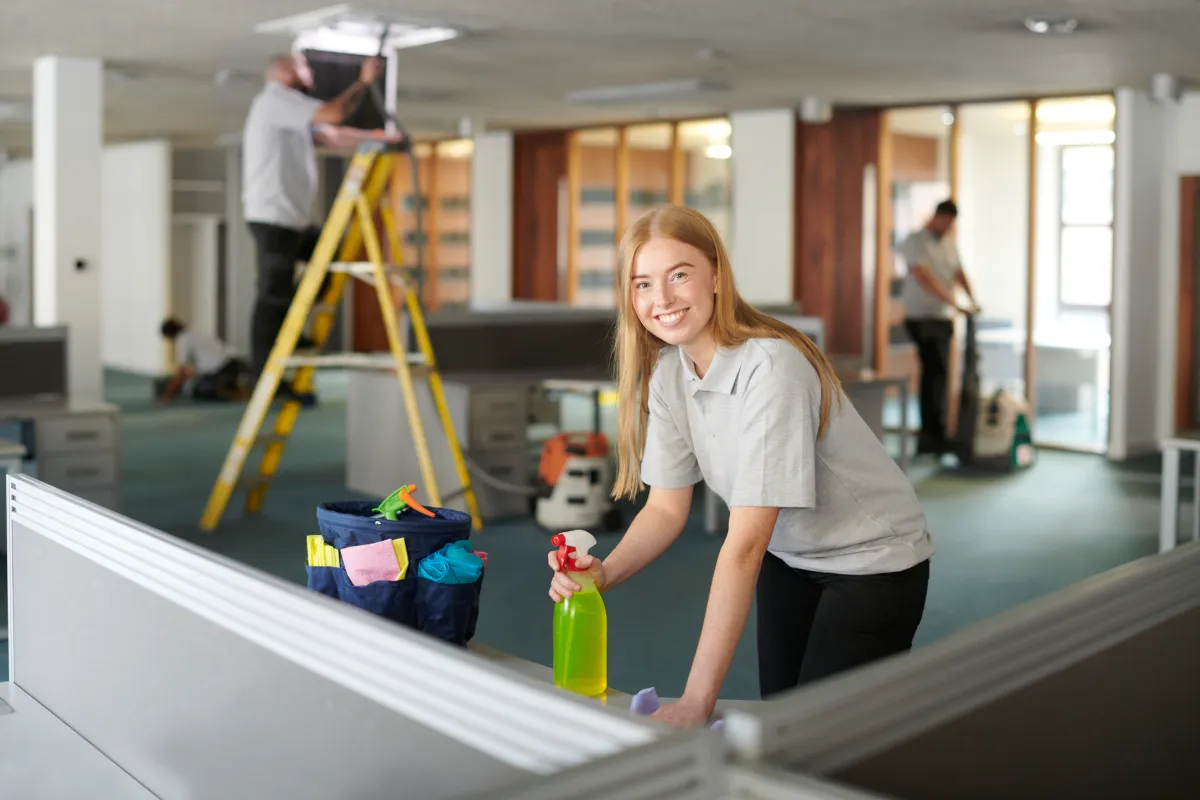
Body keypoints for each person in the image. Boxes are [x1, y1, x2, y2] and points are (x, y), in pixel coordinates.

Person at [547, 205, 934, 728]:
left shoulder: (771, 368)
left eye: (678, 275)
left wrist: (696, 703)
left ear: (716, 276)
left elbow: (745, 543)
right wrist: (605, 573)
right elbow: (665, 508)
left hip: (873, 561)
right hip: (792, 553)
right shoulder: (669, 374)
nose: (660, 299)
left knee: (825, 736)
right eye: (642, 284)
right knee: (782, 721)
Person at [241, 51, 402, 394]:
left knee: (333, 258)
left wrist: (382, 139)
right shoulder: (276, 100)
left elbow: (333, 135)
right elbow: (336, 112)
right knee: (273, 295)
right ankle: (263, 378)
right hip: (273, 218)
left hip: (291, 220)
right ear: (285, 72)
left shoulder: (290, 109)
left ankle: (290, 326)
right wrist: (364, 81)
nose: (310, 73)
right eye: (303, 67)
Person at [897, 200, 981, 455]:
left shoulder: (949, 243)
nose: (947, 226)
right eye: (945, 220)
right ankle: (930, 434)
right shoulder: (915, 241)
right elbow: (923, 277)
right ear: (936, 216)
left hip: (942, 317)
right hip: (921, 317)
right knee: (934, 371)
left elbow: (958, 273)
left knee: (940, 374)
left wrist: (972, 299)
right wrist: (954, 303)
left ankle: (938, 432)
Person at [159, 318, 250, 403]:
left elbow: (181, 373)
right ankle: (233, 388)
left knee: (200, 392)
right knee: (202, 383)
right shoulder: (194, 333)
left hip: (221, 370)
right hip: (232, 363)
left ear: (170, 335)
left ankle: (230, 392)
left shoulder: (183, 340)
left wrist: (168, 394)